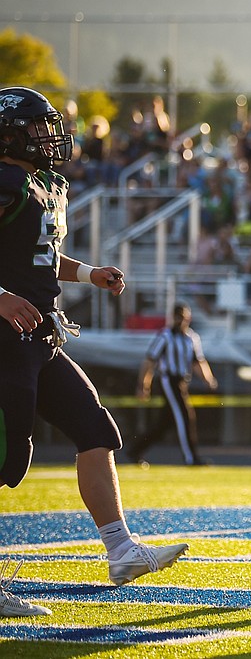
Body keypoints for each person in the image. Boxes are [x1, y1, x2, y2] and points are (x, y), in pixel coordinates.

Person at [0, 87, 188, 608]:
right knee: (5, 453)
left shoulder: (41, 185)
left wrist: (88, 274)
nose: (49, 137)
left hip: (37, 336)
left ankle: (121, 549)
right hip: (3, 339)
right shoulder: (5, 181)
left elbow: (40, 255)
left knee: (94, 427)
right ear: (10, 133)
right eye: (38, 128)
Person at [131, 303, 218, 466]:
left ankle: (135, 450)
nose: (180, 321)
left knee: (164, 424)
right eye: (177, 317)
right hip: (167, 380)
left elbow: (197, 362)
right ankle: (191, 458)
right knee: (185, 416)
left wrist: (208, 379)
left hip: (182, 381)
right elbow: (150, 361)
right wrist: (144, 385)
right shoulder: (165, 336)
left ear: (188, 319)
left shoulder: (192, 338)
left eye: (183, 318)